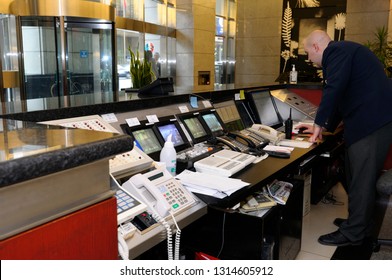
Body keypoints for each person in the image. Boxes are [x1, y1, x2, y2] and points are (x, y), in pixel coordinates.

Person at [301, 30, 392, 246]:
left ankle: (354, 233)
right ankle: (358, 222)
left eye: (308, 53)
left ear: (316, 47)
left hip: (372, 123)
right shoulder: (345, 52)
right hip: (370, 122)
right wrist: (324, 127)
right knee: (355, 175)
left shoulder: (336, 52)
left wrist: (318, 124)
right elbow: (343, 96)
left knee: (361, 178)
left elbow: (334, 89)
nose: (309, 59)